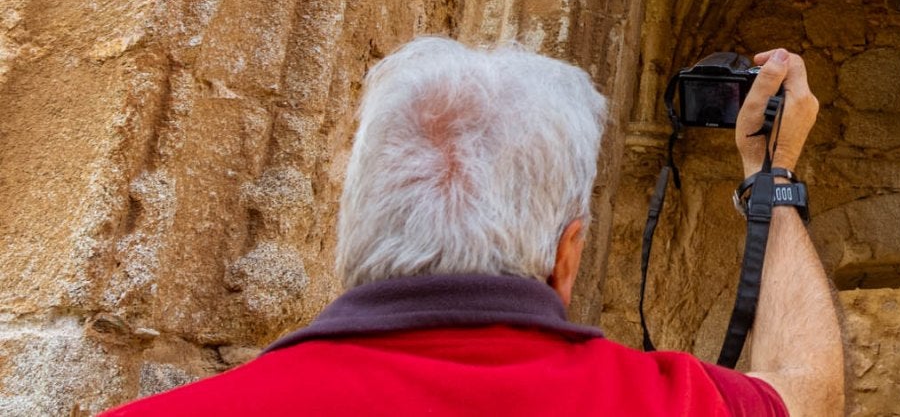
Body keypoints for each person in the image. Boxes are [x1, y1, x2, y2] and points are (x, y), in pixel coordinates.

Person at [111, 39, 844, 417]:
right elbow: (807, 391)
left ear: (352, 233)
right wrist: (770, 176)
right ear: (568, 255)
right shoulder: (665, 402)